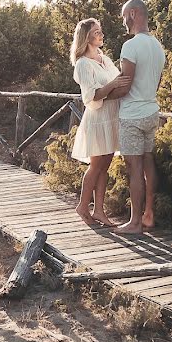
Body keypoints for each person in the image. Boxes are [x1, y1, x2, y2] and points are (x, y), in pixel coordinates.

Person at [108, 0, 166, 234]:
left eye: (124, 16)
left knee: (134, 167)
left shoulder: (130, 46)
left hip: (132, 115)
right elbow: (157, 83)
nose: (123, 21)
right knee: (148, 161)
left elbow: (124, 86)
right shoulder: (158, 46)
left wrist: (101, 96)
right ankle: (148, 215)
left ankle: (134, 223)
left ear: (133, 13)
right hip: (152, 111)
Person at [69, 18, 130, 226]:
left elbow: (118, 82)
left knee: (106, 165)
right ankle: (83, 206)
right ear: (87, 37)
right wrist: (113, 84)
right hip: (98, 119)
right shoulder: (83, 64)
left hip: (112, 116)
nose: (101, 35)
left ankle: (99, 211)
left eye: (101, 31)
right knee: (96, 166)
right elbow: (91, 96)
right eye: (96, 32)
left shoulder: (104, 58)